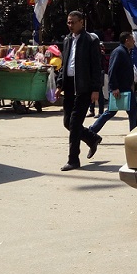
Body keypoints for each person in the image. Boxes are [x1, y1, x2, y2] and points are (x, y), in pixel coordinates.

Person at [55, 10, 103, 171]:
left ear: (81, 22)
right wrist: (59, 84)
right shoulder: (67, 39)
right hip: (69, 86)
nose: (70, 25)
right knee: (67, 122)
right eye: (68, 22)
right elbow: (65, 63)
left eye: (73, 22)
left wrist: (96, 89)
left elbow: (96, 66)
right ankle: (91, 138)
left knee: (75, 124)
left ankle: (73, 159)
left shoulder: (90, 40)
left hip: (84, 88)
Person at [90, 31, 137, 133]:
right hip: (119, 88)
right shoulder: (119, 52)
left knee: (132, 110)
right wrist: (114, 87)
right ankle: (93, 129)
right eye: (132, 39)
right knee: (111, 111)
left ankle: (133, 132)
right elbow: (112, 70)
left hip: (127, 87)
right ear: (127, 41)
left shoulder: (127, 52)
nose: (134, 41)